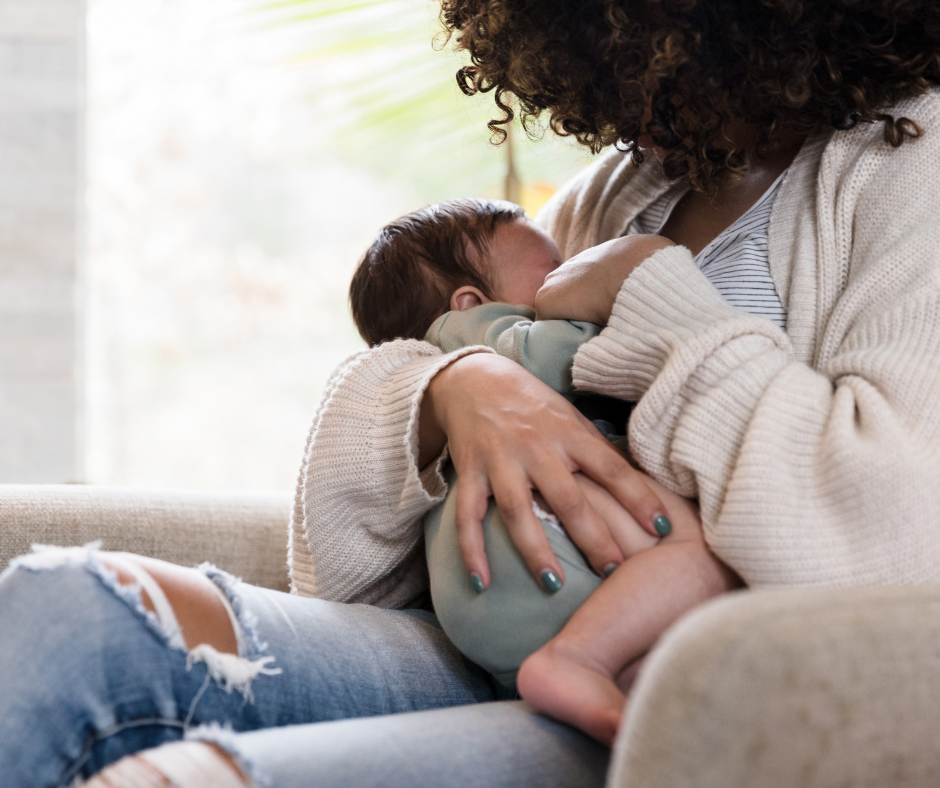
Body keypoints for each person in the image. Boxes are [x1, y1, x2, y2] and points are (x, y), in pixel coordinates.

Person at [3, 2, 940, 785]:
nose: (621, 117)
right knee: (70, 609)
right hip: (490, 649)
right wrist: (457, 384)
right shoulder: (622, 190)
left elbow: (888, 543)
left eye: (654, 73)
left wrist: (650, 286)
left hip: (680, 693)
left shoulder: (910, 164)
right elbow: (344, 563)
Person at [347, 196, 737, 742]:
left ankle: (587, 677)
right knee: (705, 553)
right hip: (531, 551)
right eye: (554, 272)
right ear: (470, 302)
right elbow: (572, 354)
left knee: (650, 693)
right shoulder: (483, 337)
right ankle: (576, 659)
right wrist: (623, 288)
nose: (568, 277)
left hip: (480, 598)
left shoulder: (450, 361)